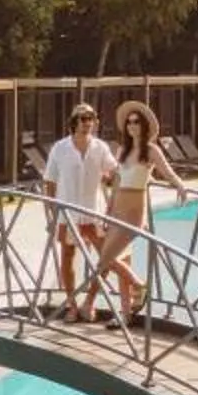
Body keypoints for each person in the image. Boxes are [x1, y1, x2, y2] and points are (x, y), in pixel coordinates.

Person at [99, 101, 182, 322]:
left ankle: (140, 286)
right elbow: (117, 182)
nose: (132, 125)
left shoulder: (151, 150)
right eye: (129, 122)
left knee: (104, 262)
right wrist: (108, 209)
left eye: (136, 122)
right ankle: (125, 314)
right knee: (117, 261)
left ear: (144, 125)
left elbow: (168, 172)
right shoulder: (122, 150)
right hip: (117, 210)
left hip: (134, 211)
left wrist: (180, 185)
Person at [38, 103, 116, 322]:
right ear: (74, 122)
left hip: (95, 212)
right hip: (68, 213)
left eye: (90, 118)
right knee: (68, 257)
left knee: (106, 258)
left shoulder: (101, 147)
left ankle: (89, 301)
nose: (86, 122)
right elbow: (50, 182)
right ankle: (72, 305)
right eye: (82, 118)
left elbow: (114, 172)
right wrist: (51, 215)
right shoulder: (60, 148)